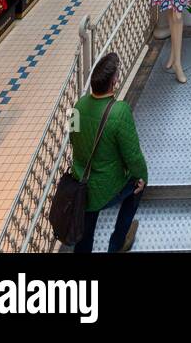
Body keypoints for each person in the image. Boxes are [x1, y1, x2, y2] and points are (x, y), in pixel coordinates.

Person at [70, 51, 148, 254]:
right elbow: (134, 157)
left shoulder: (77, 107)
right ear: (114, 81)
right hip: (106, 186)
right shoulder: (120, 111)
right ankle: (117, 243)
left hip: (81, 181)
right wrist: (142, 177)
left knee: (88, 217)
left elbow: (73, 139)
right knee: (137, 188)